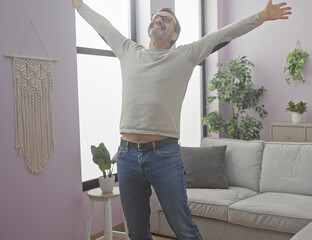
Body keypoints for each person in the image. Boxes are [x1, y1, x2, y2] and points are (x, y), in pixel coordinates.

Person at [72, 0, 292, 239]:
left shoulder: (185, 55)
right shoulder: (128, 51)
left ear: (174, 34)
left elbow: (224, 34)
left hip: (164, 156)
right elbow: (103, 26)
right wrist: (79, 5)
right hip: (127, 156)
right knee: (136, 233)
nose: (158, 19)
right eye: (156, 16)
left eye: (166, 19)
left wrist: (261, 16)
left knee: (184, 229)